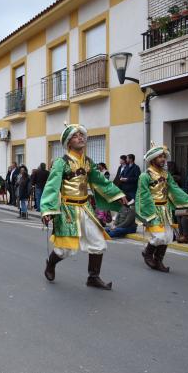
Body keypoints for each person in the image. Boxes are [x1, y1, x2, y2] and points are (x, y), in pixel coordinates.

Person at [41, 124, 127, 290]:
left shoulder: (88, 162)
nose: (80, 137)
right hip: (67, 210)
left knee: (98, 243)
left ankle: (93, 277)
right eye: (75, 136)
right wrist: (48, 209)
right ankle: (50, 264)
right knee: (64, 250)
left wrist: (118, 194)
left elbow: (101, 182)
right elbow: (52, 187)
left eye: (81, 135)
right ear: (68, 142)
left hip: (86, 208)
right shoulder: (61, 162)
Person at [135, 143, 188, 270]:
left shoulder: (166, 175)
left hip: (166, 210)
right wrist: (148, 215)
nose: (163, 159)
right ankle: (148, 254)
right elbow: (143, 196)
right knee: (159, 236)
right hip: (153, 210)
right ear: (153, 159)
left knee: (168, 237)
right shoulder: (145, 175)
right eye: (160, 157)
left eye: (164, 156)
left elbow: (174, 189)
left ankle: (158, 261)